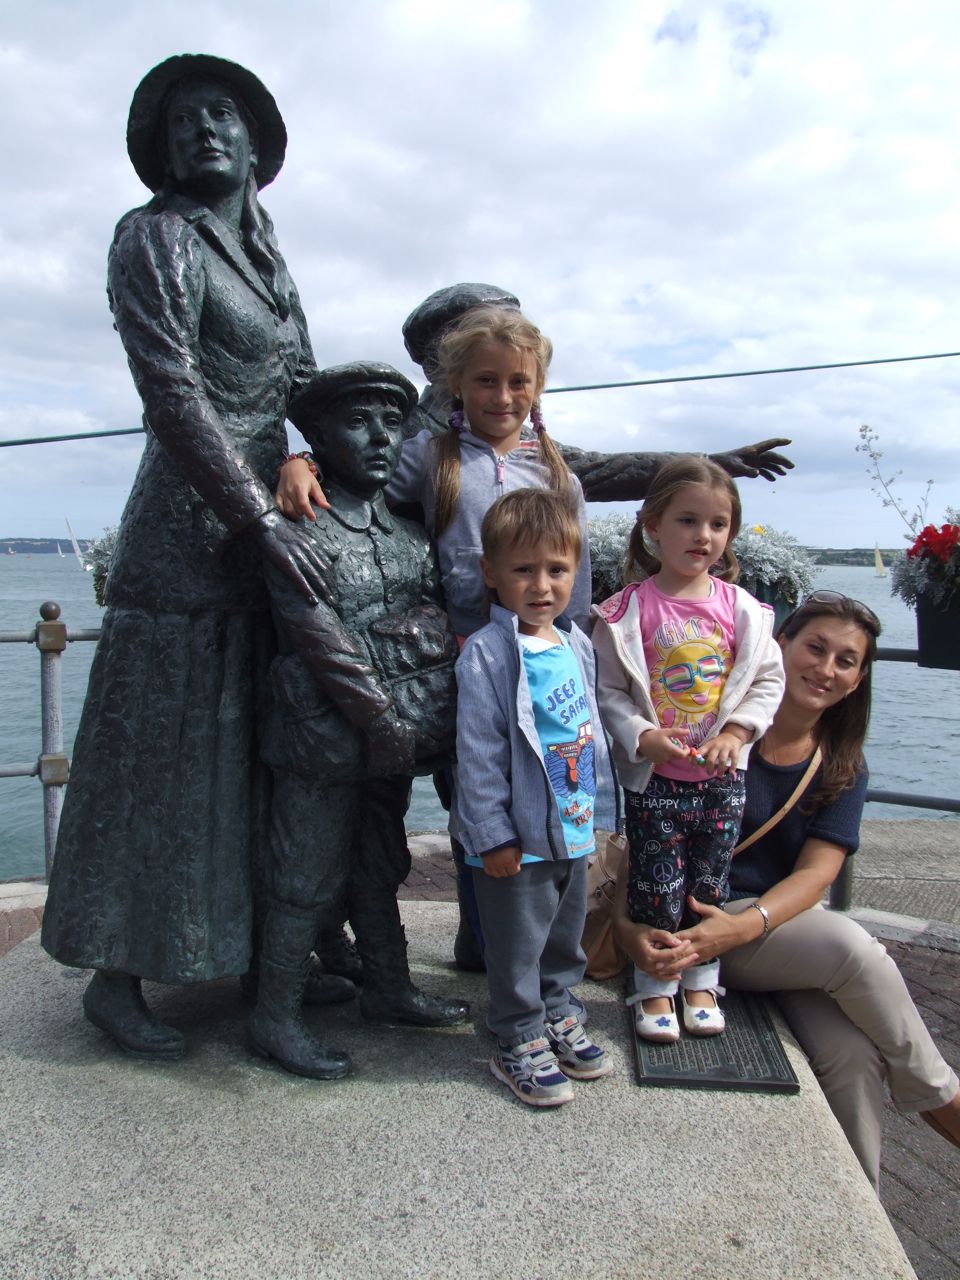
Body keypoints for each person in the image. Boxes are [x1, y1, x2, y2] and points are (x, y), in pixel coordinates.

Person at [41, 55, 328, 1060]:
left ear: (254, 143)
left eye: (222, 114)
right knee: (153, 758)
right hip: (184, 537)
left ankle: (243, 949)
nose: (202, 129)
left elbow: (303, 388)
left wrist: (322, 456)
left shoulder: (269, 263)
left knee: (243, 754)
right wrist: (256, 518)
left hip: (260, 537)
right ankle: (113, 975)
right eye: (182, 121)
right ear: (162, 153)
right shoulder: (154, 236)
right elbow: (171, 391)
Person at [613, 590, 960, 1189]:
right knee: (851, 947)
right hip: (696, 925)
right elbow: (647, 839)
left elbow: (816, 874)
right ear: (778, 648)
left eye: (845, 661)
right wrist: (627, 929)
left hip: (763, 931)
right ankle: (943, 1095)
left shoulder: (841, 764)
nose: (825, 669)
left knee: (852, 1057)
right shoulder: (714, 735)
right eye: (815, 648)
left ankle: (860, 1215)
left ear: (857, 681)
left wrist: (743, 929)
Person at [252, 362, 469, 1079]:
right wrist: (379, 719)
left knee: (381, 862)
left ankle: (388, 986)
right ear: (317, 436)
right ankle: (275, 1016)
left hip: (395, 739)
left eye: (391, 422)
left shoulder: (409, 532)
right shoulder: (298, 530)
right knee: (304, 876)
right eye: (357, 421)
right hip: (322, 740)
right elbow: (316, 635)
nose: (379, 437)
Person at [592, 457, 784, 1039]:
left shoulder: (744, 610)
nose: (704, 535)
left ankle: (702, 980)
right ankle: (654, 985)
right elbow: (607, 690)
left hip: (722, 781)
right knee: (655, 886)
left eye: (718, 524)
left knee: (709, 884)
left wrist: (737, 732)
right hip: (657, 782)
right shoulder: (627, 611)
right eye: (688, 520)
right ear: (653, 525)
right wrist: (641, 735)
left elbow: (768, 680)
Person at [452, 489, 618, 1106]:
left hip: (570, 826)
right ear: (491, 573)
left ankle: (557, 1010)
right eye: (523, 569)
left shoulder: (576, 644)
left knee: (562, 935)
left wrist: (599, 814)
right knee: (517, 944)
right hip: (515, 838)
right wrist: (492, 834)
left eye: (557, 569)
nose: (542, 585)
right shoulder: (487, 654)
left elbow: (590, 734)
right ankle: (516, 1034)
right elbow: (478, 753)